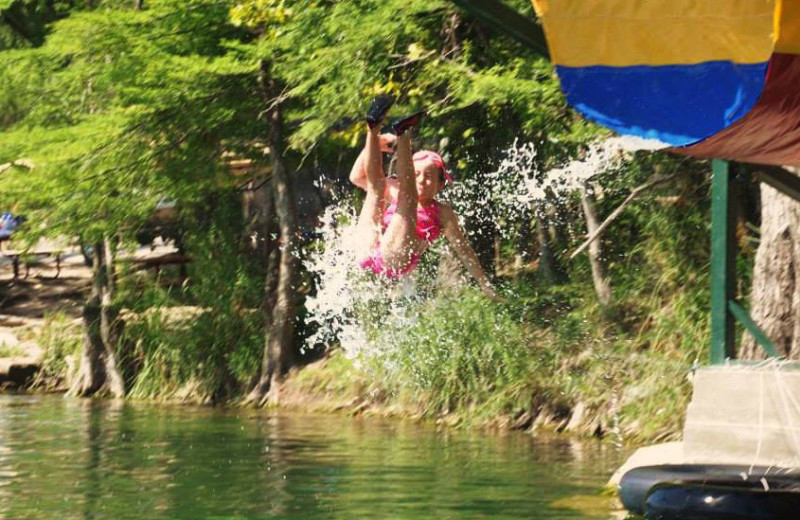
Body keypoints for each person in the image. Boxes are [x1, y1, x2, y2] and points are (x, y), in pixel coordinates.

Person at [348, 95, 502, 301]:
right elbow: (357, 177)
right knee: (378, 187)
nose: (421, 180)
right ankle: (377, 127)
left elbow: (463, 249)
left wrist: (484, 283)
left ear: (440, 184)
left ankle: (400, 132)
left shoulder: (443, 213)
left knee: (404, 200)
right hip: (367, 250)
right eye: (417, 174)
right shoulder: (395, 189)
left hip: (393, 257)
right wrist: (375, 142)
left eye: (428, 177)